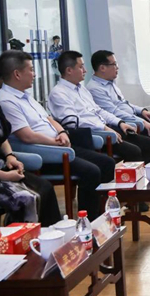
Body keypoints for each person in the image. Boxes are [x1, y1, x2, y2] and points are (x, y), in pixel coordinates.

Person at [0, 50, 110, 220]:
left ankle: (104, 214)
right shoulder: (7, 101)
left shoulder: (26, 96)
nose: (34, 74)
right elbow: (26, 136)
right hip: (47, 153)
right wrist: (55, 142)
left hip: (59, 145)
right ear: (17, 74)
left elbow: (49, 118)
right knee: (92, 171)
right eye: (31, 69)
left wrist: (61, 132)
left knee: (106, 162)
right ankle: (89, 220)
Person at [48, 51, 150, 163]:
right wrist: (103, 127)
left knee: (148, 143)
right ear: (69, 70)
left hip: (104, 127)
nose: (85, 70)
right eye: (81, 67)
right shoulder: (59, 93)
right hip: (92, 134)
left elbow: (98, 110)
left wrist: (119, 122)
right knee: (134, 150)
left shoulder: (81, 89)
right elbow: (73, 122)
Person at [87, 50, 150, 160]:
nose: (117, 67)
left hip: (134, 117)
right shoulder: (95, 88)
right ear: (102, 68)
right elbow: (114, 112)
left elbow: (124, 103)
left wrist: (142, 111)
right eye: (114, 64)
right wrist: (142, 121)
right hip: (127, 122)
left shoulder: (110, 83)